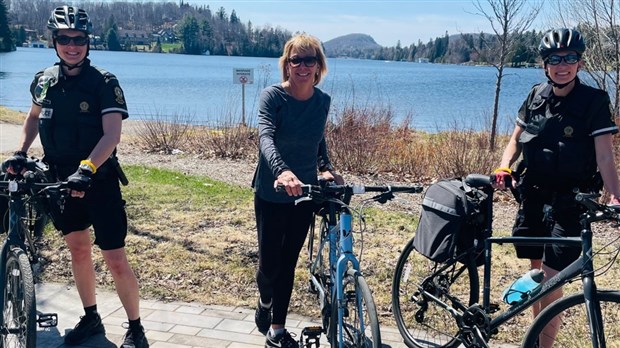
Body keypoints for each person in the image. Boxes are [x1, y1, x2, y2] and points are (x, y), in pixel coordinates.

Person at [1, 6, 148, 348]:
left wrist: (87, 169)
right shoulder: (44, 79)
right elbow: (33, 118)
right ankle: (91, 318)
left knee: (114, 257)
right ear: (53, 41)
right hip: (59, 180)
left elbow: (111, 135)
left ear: (87, 42)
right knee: (78, 250)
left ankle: (135, 327)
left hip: (97, 179)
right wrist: (22, 153)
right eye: (65, 39)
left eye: (78, 39)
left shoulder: (104, 83)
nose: (72, 45)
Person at [493, 28, 620, 347]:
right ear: (545, 64)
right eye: (555, 59)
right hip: (533, 197)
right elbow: (515, 139)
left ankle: (541, 345)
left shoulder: (594, 101)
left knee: (553, 278)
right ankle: (536, 339)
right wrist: (505, 165)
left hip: (572, 202)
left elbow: (605, 156)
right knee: (538, 274)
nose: (562, 65)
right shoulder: (536, 95)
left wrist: (617, 195)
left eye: (570, 58)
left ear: (579, 62)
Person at [251, 33, 343, 348]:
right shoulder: (272, 97)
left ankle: (277, 330)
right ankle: (264, 300)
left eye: (309, 60)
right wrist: (282, 170)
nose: (303, 66)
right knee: (269, 266)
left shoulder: (322, 101)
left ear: (319, 66)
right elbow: (266, 137)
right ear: (287, 65)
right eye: (296, 60)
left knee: (288, 261)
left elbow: (317, 138)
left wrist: (325, 167)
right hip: (271, 190)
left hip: (305, 191)